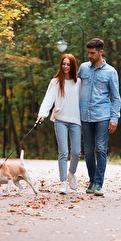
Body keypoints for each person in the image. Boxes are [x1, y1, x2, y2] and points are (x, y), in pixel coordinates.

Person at [78, 38, 121, 196]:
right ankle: (92, 181)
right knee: (88, 152)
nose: (89, 55)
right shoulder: (83, 68)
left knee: (101, 149)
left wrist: (114, 118)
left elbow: (116, 97)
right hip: (85, 115)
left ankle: (99, 184)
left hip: (103, 115)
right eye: (88, 52)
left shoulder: (110, 72)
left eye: (92, 53)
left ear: (101, 52)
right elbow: (73, 86)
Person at [37, 54, 81, 194]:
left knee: (76, 152)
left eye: (68, 64)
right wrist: (42, 115)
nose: (66, 66)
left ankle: (71, 174)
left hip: (75, 121)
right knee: (63, 152)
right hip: (60, 120)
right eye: (64, 64)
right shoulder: (55, 82)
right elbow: (48, 99)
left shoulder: (78, 82)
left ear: (73, 66)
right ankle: (63, 182)